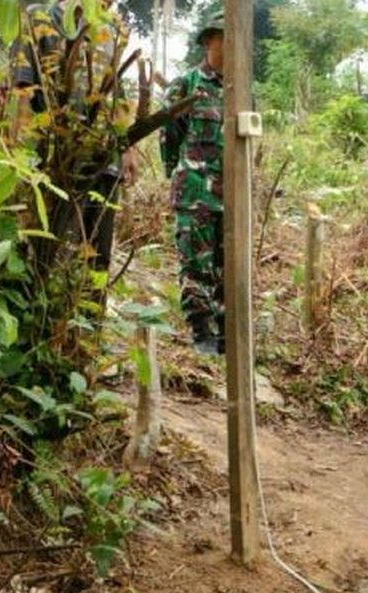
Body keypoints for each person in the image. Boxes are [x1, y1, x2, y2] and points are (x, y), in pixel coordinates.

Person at [11, 0, 138, 284]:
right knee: (50, 253)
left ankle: (89, 326)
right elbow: (21, 90)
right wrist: (19, 154)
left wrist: (126, 147)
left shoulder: (112, 28)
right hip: (56, 160)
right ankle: (49, 321)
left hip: (103, 161)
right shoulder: (39, 18)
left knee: (96, 255)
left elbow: (114, 89)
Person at [161, 13, 226, 355]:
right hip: (196, 192)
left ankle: (229, 330)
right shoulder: (187, 84)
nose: (230, 46)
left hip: (232, 196)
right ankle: (202, 331)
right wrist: (179, 172)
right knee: (196, 263)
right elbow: (169, 134)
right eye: (223, 38)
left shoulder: (241, 90)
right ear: (208, 41)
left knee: (229, 266)